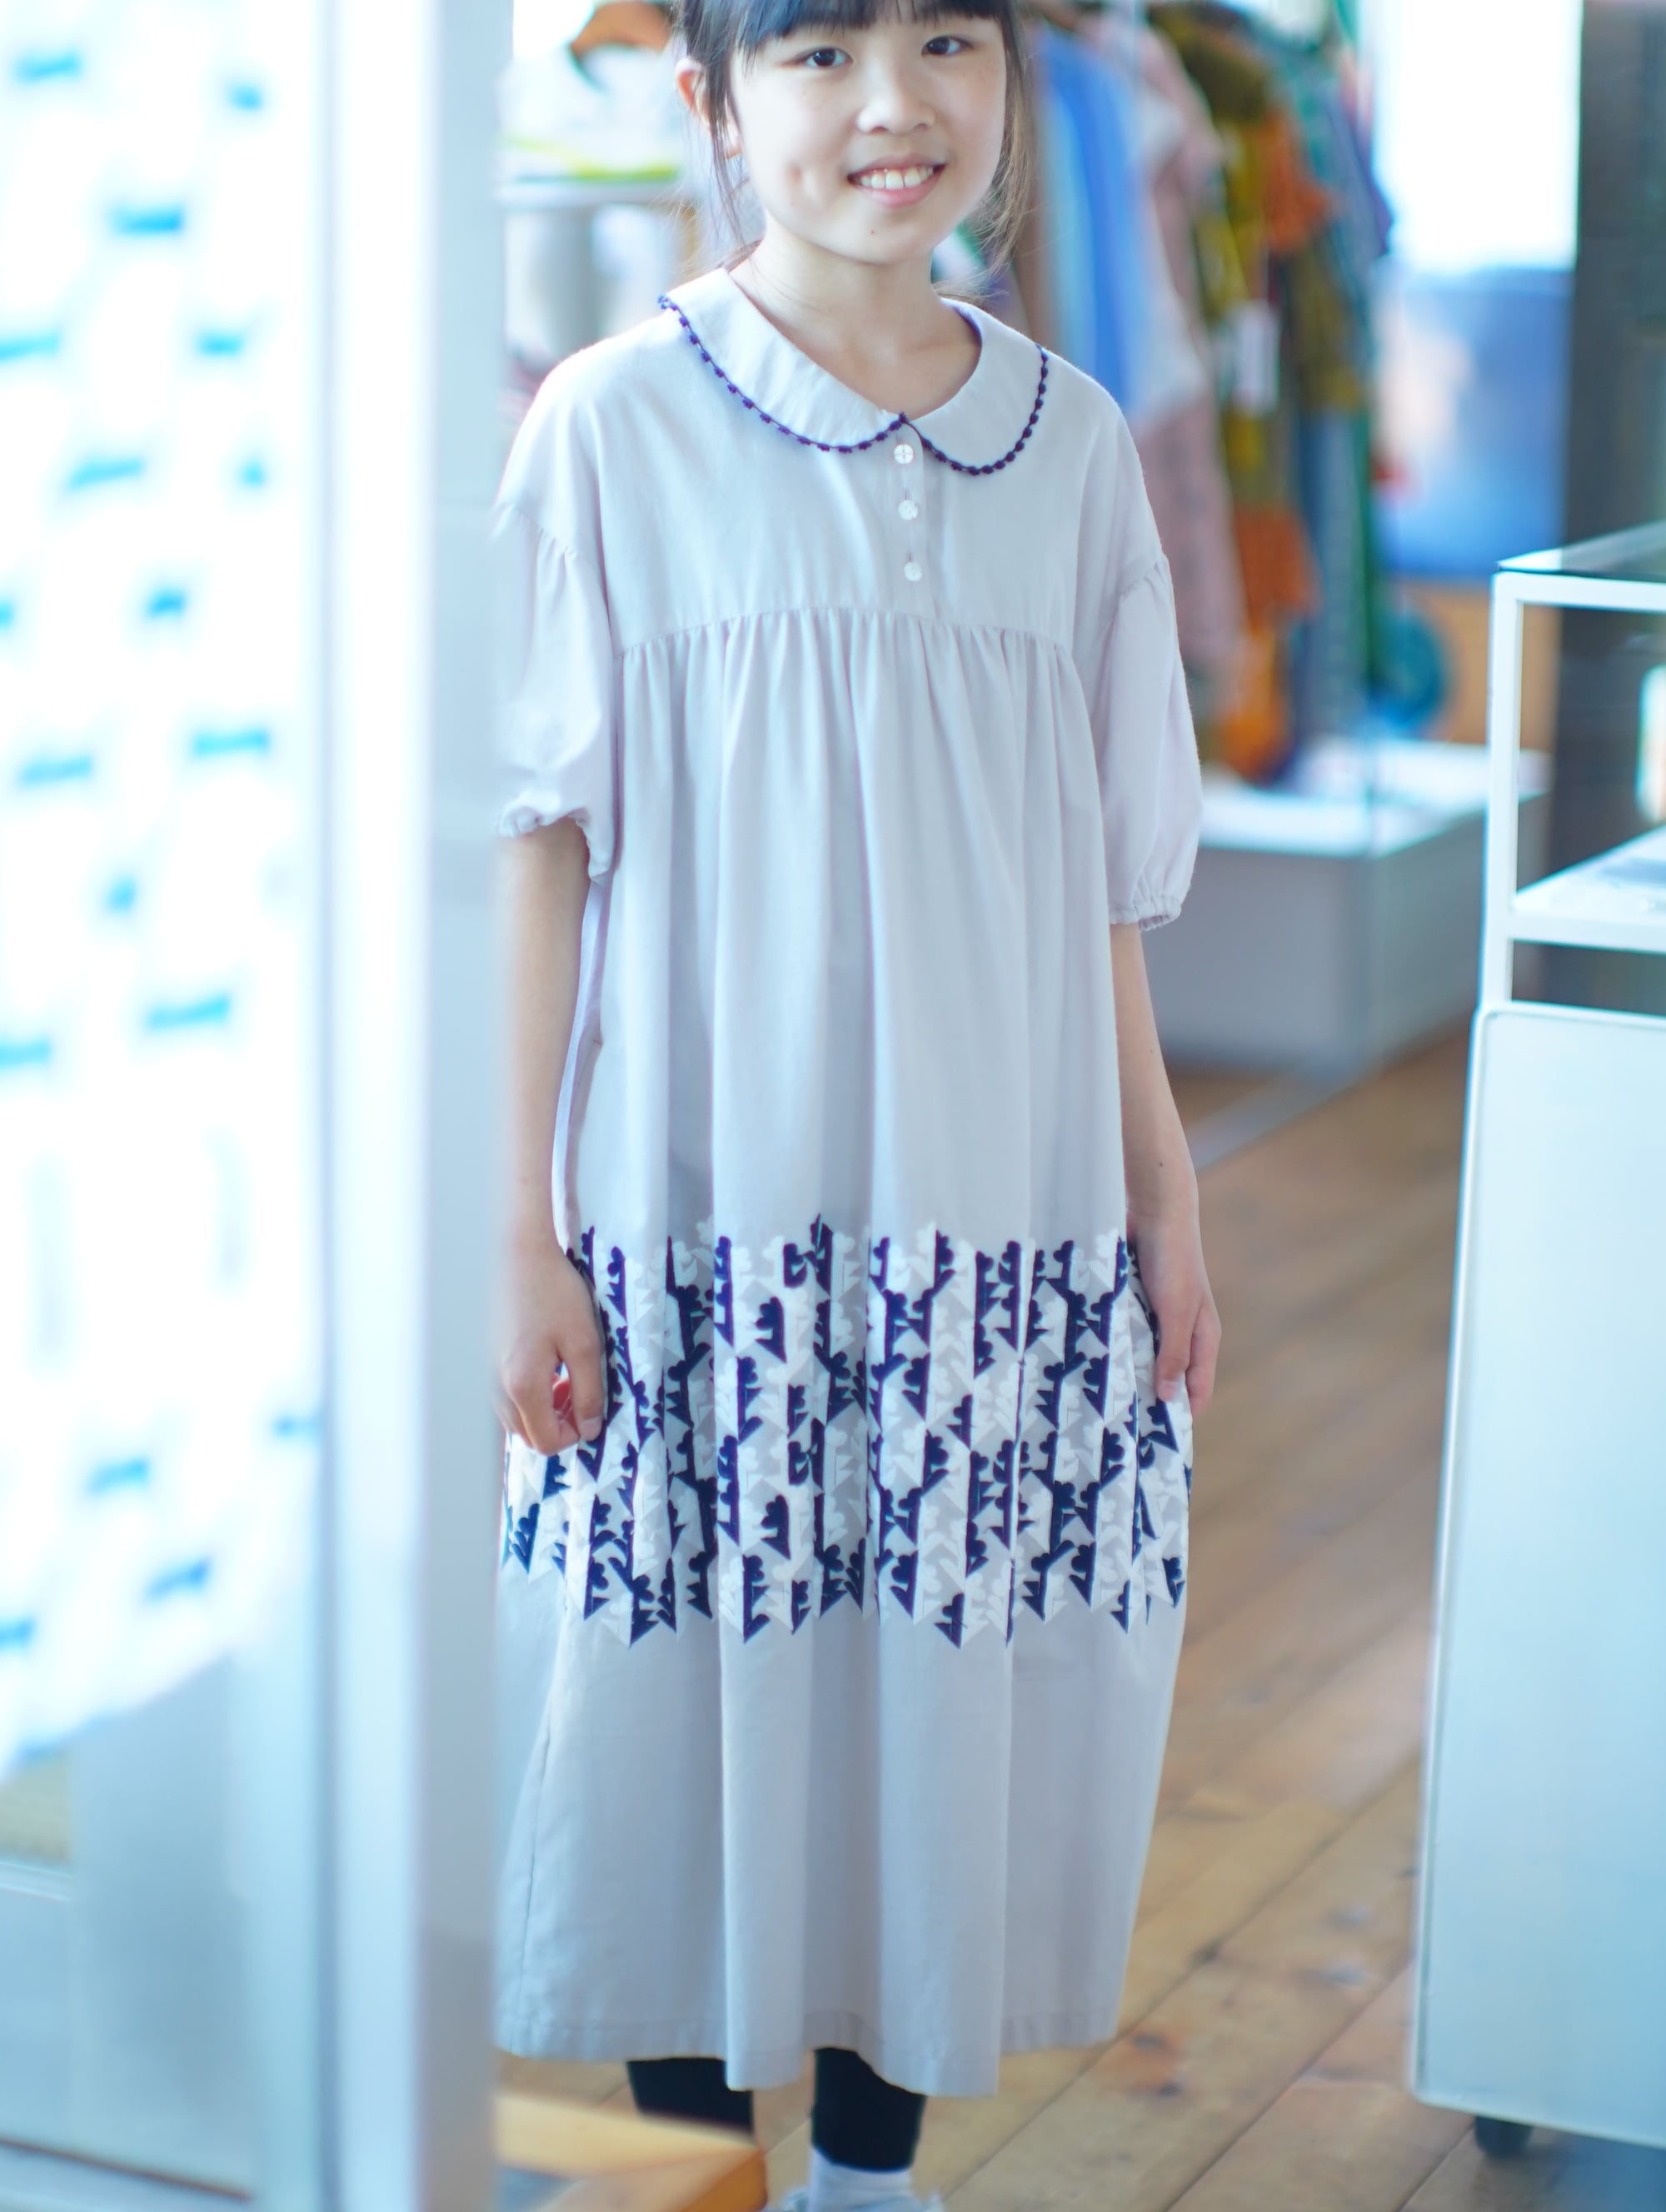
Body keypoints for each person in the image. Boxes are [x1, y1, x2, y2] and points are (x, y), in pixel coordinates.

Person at [491, 0, 1220, 2201]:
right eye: (817, 53)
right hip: (695, 1183)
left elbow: (1105, 883)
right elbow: (536, 848)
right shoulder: (611, 426)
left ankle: (870, 2175)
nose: (894, 107)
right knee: (680, 1687)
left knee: (934, 1654)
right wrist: (515, 1224)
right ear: (711, 102)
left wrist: (1165, 1187)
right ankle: (703, 2170)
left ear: (1010, 80)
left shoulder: (1073, 446)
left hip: (993, 1189)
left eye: (946, 43)